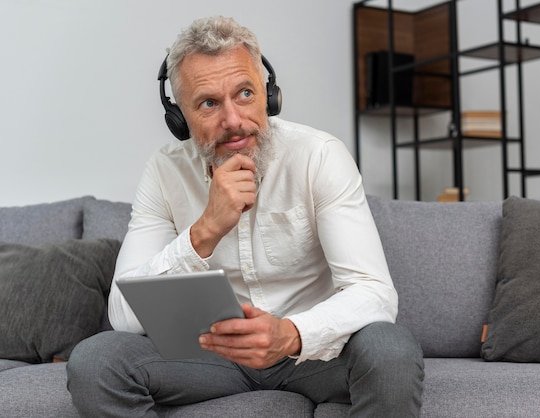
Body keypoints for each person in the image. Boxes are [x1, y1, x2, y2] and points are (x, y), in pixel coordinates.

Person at [67, 15, 424, 417]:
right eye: (208, 103)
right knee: (96, 360)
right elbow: (124, 317)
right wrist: (206, 229)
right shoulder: (164, 171)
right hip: (213, 358)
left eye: (245, 93)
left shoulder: (319, 156)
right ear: (179, 119)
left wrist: (290, 334)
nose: (234, 120)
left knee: (391, 349)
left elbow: (375, 293)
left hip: (315, 353)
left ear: (269, 96)